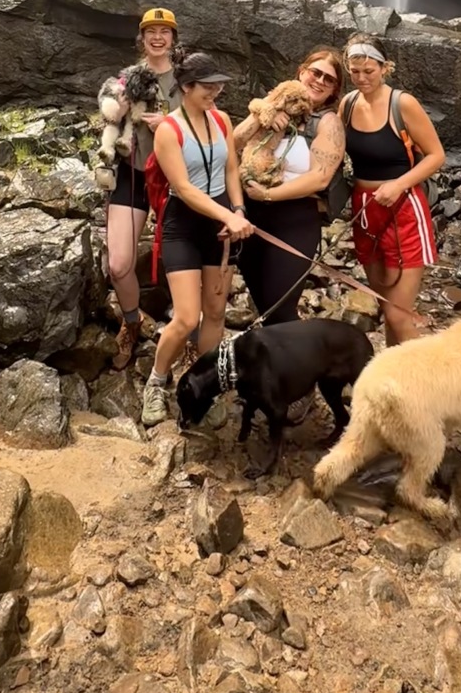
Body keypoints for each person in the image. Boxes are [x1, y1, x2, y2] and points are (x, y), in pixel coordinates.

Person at [141, 51, 252, 427]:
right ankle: (157, 381)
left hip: (221, 221)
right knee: (187, 316)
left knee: (217, 311)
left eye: (219, 85)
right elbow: (185, 189)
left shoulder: (221, 120)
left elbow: (232, 168)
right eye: (208, 86)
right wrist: (226, 216)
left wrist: (237, 211)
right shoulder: (169, 131)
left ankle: (209, 381)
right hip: (184, 225)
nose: (216, 92)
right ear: (185, 87)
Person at [340, 34, 445, 344]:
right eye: (354, 71)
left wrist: (399, 184)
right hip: (364, 210)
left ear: (384, 68)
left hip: (403, 209)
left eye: (369, 71)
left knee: (400, 313)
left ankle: (414, 385)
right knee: (386, 306)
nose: (361, 78)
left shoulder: (403, 104)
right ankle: (393, 378)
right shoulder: (347, 105)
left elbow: (437, 155)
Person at [235, 49, 348, 327]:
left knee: (280, 309)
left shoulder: (328, 122)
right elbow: (231, 145)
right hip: (251, 218)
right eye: (315, 72)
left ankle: (296, 365)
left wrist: (268, 195)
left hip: (295, 221)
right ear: (301, 72)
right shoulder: (272, 105)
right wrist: (261, 114)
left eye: (329, 79)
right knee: (262, 303)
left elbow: (320, 177)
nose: (319, 81)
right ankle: (272, 363)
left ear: (334, 90)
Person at [100, 8, 183, 371]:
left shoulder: (188, 80)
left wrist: (170, 122)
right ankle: (131, 323)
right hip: (133, 175)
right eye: (151, 31)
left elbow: (209, 124)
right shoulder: (126, 79)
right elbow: (108, 118)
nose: (158, 37)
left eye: (165, 31)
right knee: (119, 265)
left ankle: (189, 335)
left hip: (176, 181)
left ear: (174, 39)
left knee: (184, 264)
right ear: (142, 37)